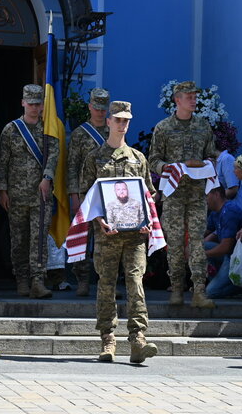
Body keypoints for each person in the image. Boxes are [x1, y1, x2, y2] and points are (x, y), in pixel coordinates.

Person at [80, 100, 159, 363]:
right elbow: (87, 198)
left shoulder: (138, 159)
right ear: (109, 122)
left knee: (136, 284)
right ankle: (107, 339)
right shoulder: (95, 158)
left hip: (135, 236)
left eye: (126, 120)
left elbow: (149, 195)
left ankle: (138, 339)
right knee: (106, 285)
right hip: (107, 235)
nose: (123, 124)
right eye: (118, 120)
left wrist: (147, 219)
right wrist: (99, 220)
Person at [148, 81, 217, 308]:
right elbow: (154, 160)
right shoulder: (164, 128)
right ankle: (176, 289)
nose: (194, 100)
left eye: (195, 96)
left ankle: (198, 291)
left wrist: (206, 163)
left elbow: (211, 155)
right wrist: (169, 168)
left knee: (197, 242)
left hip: (197, 195)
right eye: (189, 96)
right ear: (177, 100)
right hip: (174, 195)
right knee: (176, 243)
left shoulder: (203, 126)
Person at [0, 84, 58, 299]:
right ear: (23, 103)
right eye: (30, 103)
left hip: (40, 195)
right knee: (18, 239)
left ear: (42, 105)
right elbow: (1, 161)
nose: (34, 108)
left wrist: (47, 177)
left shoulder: (48, 128)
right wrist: (2, 190)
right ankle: (21, 279)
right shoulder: (11, 129)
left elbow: (53, 155)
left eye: (37, 104)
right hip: (16, 194)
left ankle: (38, 280)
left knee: (39, 239)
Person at [67, 88, 109, 296]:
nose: (100, 112)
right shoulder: (80, 134)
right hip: (85, 193)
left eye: (104, 109)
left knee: (107, 240)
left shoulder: (114, 131)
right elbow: (72, 166)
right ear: (90, 107)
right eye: (97, 108)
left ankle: (105, 282)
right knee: (82, 237)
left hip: (109, 194)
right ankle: (82, 280)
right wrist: (74, 194)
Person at [203, 186, 242, 298]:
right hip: (228, 255)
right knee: (200, 246)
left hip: (238, 257)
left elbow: (226, 247)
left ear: (216, 194)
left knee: (210, 292)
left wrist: (199, 255)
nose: (205, 200)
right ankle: (219, 281)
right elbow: (205, 233)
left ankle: (241, 286)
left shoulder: (229, 211)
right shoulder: (215, 212)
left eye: (207, 196)